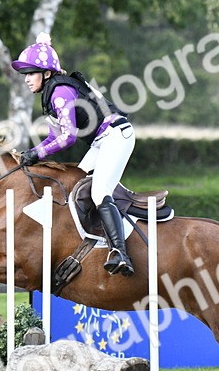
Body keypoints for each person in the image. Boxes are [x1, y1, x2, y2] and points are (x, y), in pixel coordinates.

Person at [11, 32, 137, 277]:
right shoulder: (51, 94)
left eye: (31, 73)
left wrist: (36, 155)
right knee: (74, 183)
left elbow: (68, 138)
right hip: (102, 141)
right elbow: (53, 138)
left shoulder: (60, 92)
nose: (26, 79)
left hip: (116, 136)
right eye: (25, 74)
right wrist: (31, 153)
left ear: (46, 73)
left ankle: (120, 253)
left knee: (99, 192)